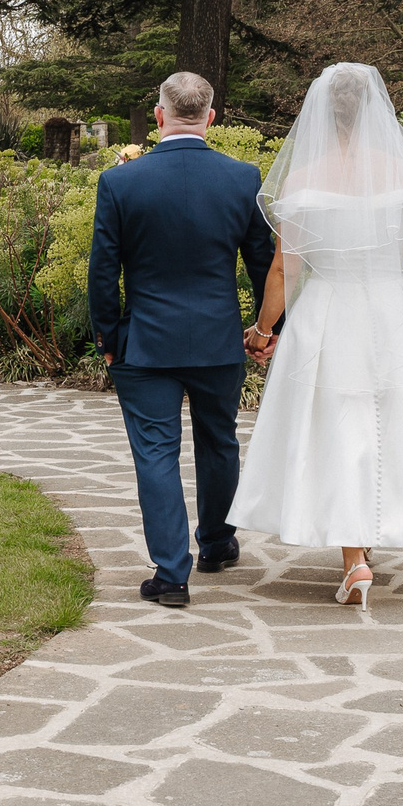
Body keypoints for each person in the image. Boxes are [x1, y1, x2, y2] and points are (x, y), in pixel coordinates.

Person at [230, 62, 403, 608]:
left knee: (342, 426)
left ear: (320, 112)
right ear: (377, 110)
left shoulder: (301, 180)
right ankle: (361, 547)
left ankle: (355, 558)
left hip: (326, 312)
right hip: (391, 310)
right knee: (383, 421)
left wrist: (264, 327)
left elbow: (284, 269)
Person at [87, 71, 275, 607]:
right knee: (219, 441)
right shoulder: (243, 178)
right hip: (218, 341)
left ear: (160, 115)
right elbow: (264, 264)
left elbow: (104, 271)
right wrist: (267, 331)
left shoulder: (121, 182)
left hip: (144, 342)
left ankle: (171, 575)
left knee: (155, 454)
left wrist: (109, 334)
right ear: (211, 117)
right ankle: (216, 544)